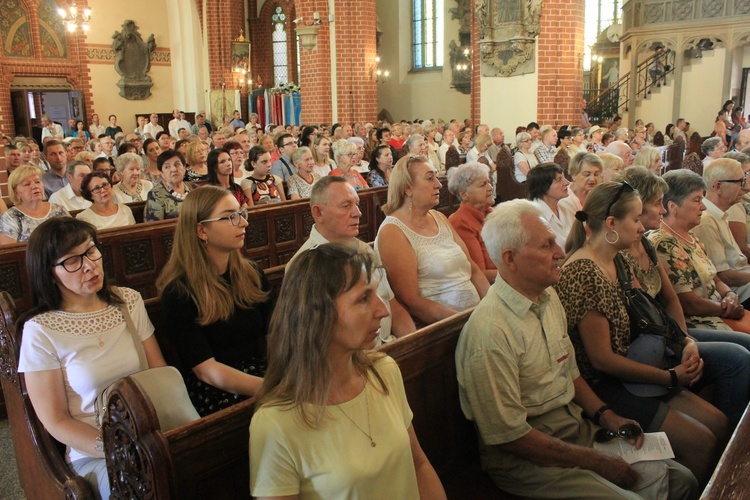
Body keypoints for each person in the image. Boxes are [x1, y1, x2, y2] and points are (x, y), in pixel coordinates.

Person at [455, 199, 699, 499]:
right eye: (546, 246)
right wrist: (598, 461)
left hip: (574, 429)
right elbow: (511, 438)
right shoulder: (491, 333)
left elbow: (570, 371)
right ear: (510, 258)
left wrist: (608, 417)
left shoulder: (547, 298)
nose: (560, 253)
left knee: (682, 480)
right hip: (528, 459)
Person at [556, 182, 726, 486]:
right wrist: (672, 377)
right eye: (635, 219)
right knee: (701, 442)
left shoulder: (617, 258)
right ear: (611, 224)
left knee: (720, 423)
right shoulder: (583, 272)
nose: (642, 226)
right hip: (605, 387)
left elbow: (652, 313)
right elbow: (602, 361)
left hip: (635, 371)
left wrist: (684, 341)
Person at [250, 243, 445, 499]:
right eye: (364, 298)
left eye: (376, 294)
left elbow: (419, 466)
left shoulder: (383, 372)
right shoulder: (276, 422)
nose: (383, 310)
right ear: (317, 314)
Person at [17, 217, 166, 498]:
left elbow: (159, 373)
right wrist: (117, 448)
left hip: (152, 433)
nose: (89, 265)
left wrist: (155, 442)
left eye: (91, 251)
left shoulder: (128, 302)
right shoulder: (40, 331)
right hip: (94, 450)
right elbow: (56, 421)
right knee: (141, 485)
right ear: (50, 273)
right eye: (72, 261)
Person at [619, 166, 750, 428]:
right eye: (657, 203)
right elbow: (670, 306)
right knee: (739, 357)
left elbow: (671, 299)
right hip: (655, 340)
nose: (662, 210)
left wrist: (684, 339)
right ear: (636, 209)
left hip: (672, 332)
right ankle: (735, 440)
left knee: (742, 350)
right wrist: (683, 339)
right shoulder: (645, 245)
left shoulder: (645, 243)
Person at [157, 186, 270, 417]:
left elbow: (274, 334)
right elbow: (206, 370)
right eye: (230, 217)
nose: (243, 223)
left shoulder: (251, 272)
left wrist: (286, 375)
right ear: (201, 230)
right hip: (216, 389)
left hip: (261, 371)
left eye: (241, 213)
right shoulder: (179, 292)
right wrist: (271, 388)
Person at [288, 176, 415, 344]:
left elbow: (392, 306)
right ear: (318, 213)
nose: (358, 213)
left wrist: (412, 344)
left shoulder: (363, 250)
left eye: (357, 204)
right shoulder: (304, 266)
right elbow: (318, 341)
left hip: (389, 346)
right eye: (346, 206)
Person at [375, 155, 489, 324]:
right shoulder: (393, 231)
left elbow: (474, 271)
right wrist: (465, 322)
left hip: (476, 316)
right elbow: (412, 301)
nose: (439, 184)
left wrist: (490, 308)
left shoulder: (440, 218)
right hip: (442, 329)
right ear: (407, 188)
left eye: (436, 176)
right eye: (429, 178)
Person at [691, 158, 750, 305]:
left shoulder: (720, 214)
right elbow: (724, 276)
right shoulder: (706, 220)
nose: (745, 187)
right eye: (740, 182)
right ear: (718, 187)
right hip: (738, 292)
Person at [447, 162, 497, 283]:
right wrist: (520, 273)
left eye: (489, 182)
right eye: (483, 184)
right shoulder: (460, 222)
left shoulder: (492, 213)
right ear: (464, 194)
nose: (490, 187)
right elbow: (480, 274)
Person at [0, 166, 69, 245]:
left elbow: (74, 238)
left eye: (37, 182)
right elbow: (9, 253)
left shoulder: (59, 209)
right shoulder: (11, 217)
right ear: (16, 193)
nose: (35, 186)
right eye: (27, 184)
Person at [527, 162, 573, 250]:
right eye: (559, 180)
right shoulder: (535, 217)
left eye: (564, 178)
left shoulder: (565, 208)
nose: (567, 183)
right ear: (543, 187)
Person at [144, 150, 195, 222]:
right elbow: (154, 227)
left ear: (184, 168)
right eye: (167, 167)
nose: (174, 169)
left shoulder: (195, 189)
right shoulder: (156, 195)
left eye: (177, 164)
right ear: (162, 173)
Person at [558, 152, 603, 222]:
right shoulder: (564, 199)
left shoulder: (598, 195)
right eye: (587, 174)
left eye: (596, 174)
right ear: (573, 175)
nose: (592, 179)